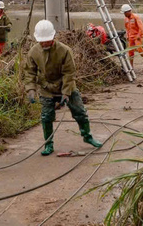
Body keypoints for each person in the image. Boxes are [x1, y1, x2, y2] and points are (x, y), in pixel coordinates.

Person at [24, 20, 103, 156]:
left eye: (47, 40)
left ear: (53, 37)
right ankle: (48, 144)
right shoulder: (33, 52)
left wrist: (66, 93)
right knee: (46, 117)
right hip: (46, 88)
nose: (44, 43)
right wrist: (30, 89)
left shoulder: (65, 51)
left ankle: (87, 137)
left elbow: (69, 73)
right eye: (42, 41)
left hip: (66, 86)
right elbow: (30, 72)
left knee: (80, 112)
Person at [122, 4, 143, 68]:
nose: (124, 14)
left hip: (137, 36)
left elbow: (141, 27)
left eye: (125, 13)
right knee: (130, 51)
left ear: (128, 11)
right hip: (131, 36)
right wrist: (127, 36)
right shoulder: (126, 19)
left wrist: (139, 35)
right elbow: (127, 28)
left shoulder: (136, 17)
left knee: (139, 49)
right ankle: (131, 65)